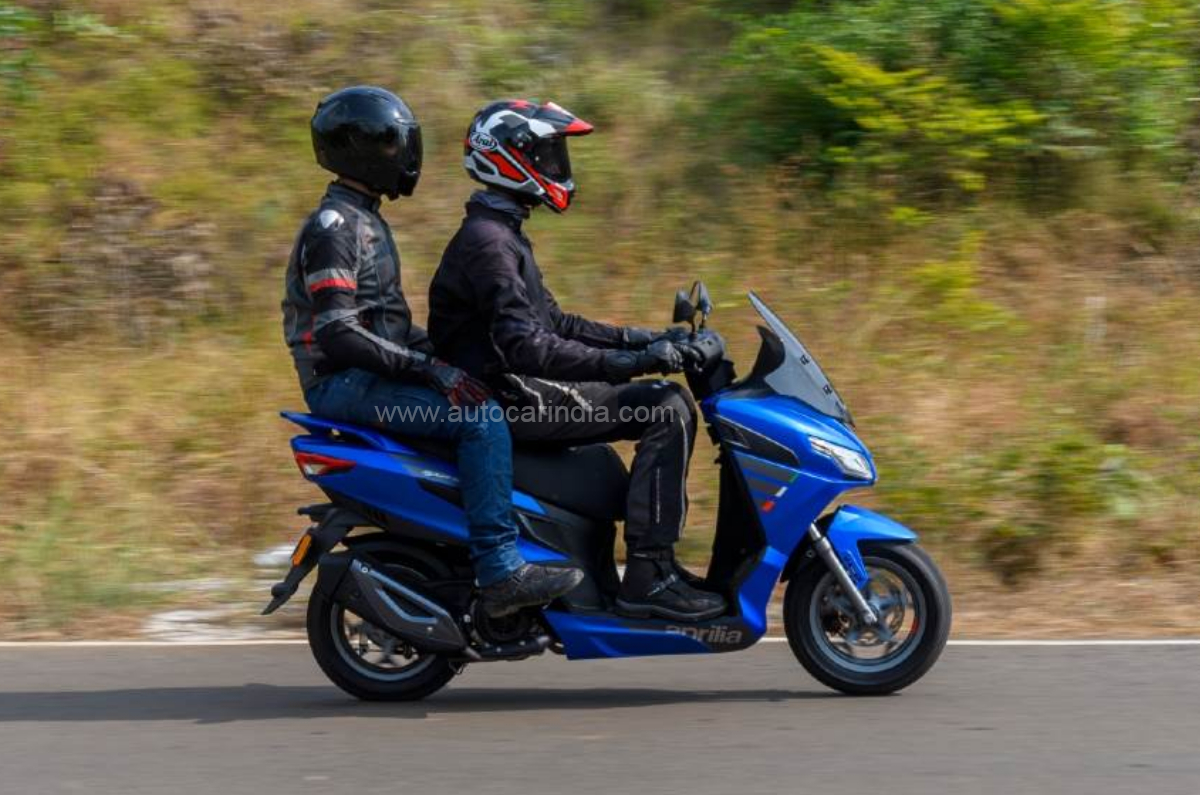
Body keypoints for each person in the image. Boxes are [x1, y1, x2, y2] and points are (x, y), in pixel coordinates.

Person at [281, 86, 583, 617]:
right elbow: (339, 332)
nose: (407, 157)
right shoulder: (336, 227)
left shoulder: (364, 218)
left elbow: (390, 328)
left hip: (365, 375)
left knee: (486, 393)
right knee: (480, 419)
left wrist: (453, 362)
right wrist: (430, 370)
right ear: (364, 150)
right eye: (397, 146)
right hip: (343, 383)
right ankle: (499, 568)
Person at [428, 99, 727, 622]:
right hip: (508, 395)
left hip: (515, 385)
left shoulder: (501, 234)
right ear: (507, 160)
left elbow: (557, 324)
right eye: (545, 155)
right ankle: (650, 577)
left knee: (664, 399)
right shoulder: (489, 244)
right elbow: (528, 348)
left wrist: (647, 339)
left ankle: (648, 570)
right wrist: (636, 364)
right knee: (666, 408)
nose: (557, 167)